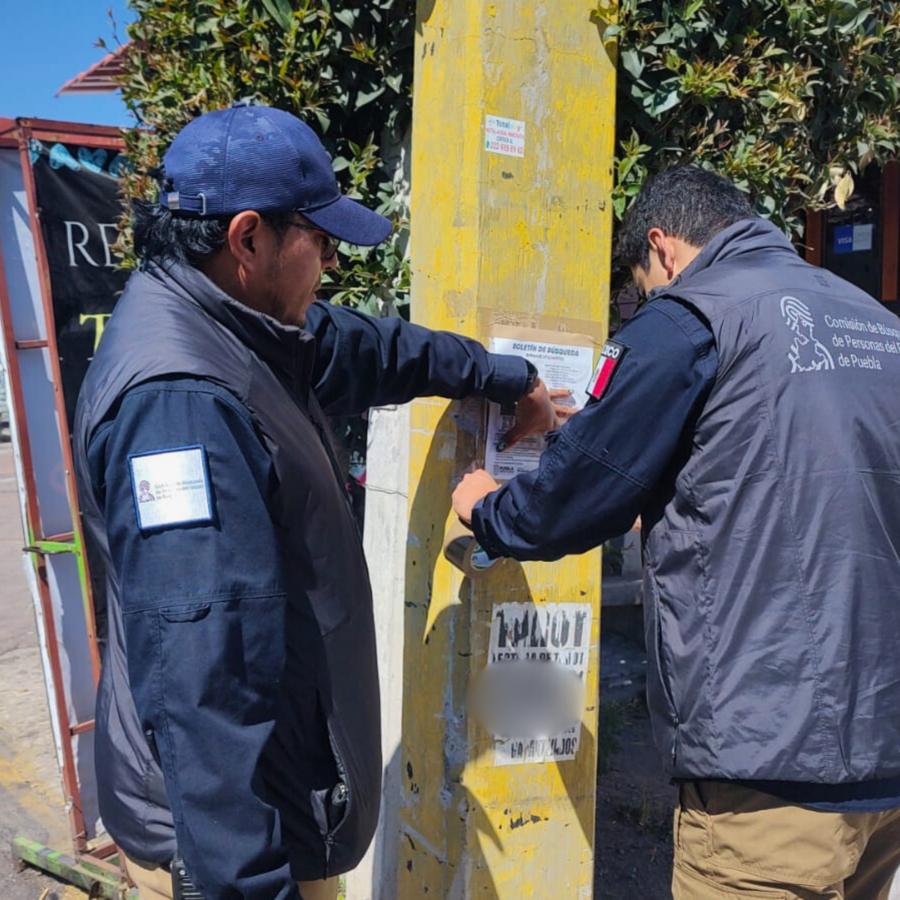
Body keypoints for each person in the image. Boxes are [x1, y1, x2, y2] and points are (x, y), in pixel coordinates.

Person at [73, 102, 566, 900]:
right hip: (235, 848)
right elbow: (205, 683)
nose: (332, 263)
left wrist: (507, 377)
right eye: (321, 241)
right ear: (247, 239)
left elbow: (370, 347)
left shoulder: (239, 327)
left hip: (272, 814)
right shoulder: (182, 405)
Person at [453, 166, 900, 899]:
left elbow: (569, 501)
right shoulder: (873, 322)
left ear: (662, 248)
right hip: (883, 760)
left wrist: (488, 510)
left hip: (769, 770)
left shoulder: (692, 315)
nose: (647, 300)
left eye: (642, 287)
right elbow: (785, 482)